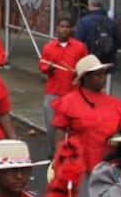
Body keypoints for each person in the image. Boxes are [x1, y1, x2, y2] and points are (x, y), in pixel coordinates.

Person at [52, 54, 121, 197]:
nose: (101, 79)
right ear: (84, 78)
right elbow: (60, 132)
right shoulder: (69, 101)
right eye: (95, 75)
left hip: (106, 163)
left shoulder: (115, 104)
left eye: (103, 74)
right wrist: (60, 160)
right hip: (79, 162)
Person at [38, 17, 89, 155]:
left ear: (71, 29)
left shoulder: (80, 47)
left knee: (74, 126)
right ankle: (54, 155)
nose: (64, 29)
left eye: (67, 26)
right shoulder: (48, 47)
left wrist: (78, 72)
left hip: (73, 93)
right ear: (57, 28)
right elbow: (42, 65)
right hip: (53, 92)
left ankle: (71, 154)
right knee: (52, 126)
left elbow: (86, 66)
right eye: (61, 26)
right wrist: (48, 68)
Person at [75, 0, 120, 66]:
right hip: (106, 59)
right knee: (102, 76)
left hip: (89, 58)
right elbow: (117, 41)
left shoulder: (84, 21)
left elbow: (78, 42)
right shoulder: (111, 22)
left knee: (90, 76)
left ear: (90, 5)